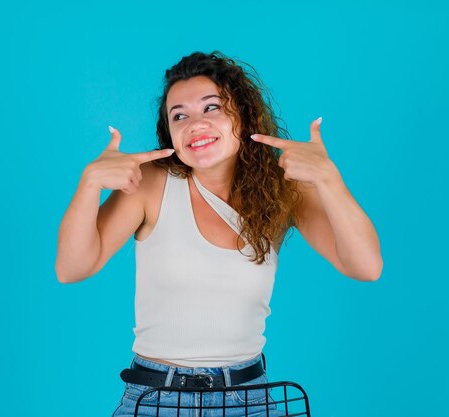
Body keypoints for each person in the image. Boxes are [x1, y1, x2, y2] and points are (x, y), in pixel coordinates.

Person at [55, 51, 383, 417]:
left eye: (211, 108)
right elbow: (72, 268)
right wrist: (89, 184)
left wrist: (329, 179)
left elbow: (366, 266)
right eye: (180, 115)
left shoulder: (283, 190)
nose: (195, 124)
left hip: (250, 399)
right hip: (157, 398)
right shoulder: (152, 184)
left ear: (243, 116)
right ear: (170, 133)